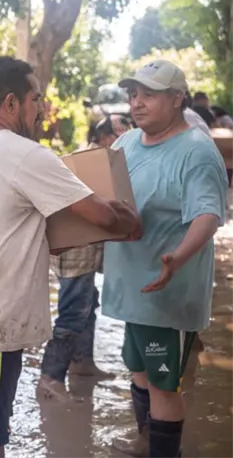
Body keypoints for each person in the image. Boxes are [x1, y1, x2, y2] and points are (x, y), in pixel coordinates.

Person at [0, 56, 142, 458]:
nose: (42, 108)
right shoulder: (24, 154)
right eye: (36, 99)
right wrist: (131, 218)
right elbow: (104, 215)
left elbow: (8, 234)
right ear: (11, 104)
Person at [103, 60, 227, 458]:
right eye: (133, 95)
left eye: (148, 95)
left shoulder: (196, 151)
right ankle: (145, 443)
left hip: (167, 292)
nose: (137, 104)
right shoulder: (126, 144)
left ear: (177, 99)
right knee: (139, 373)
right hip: (131, 289)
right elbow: (107, 199)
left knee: (163, 384)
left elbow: (208, 215)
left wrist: (179, 257)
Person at [37, 114, 131, 402]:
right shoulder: (88, 161)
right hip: (76, 252)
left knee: (88, 304)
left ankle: (82, 364)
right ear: (103, 137)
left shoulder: (98, 159)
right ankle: (50, 377)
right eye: (118, 135)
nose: (122, 141)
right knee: (73, 311)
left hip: (84, 250)